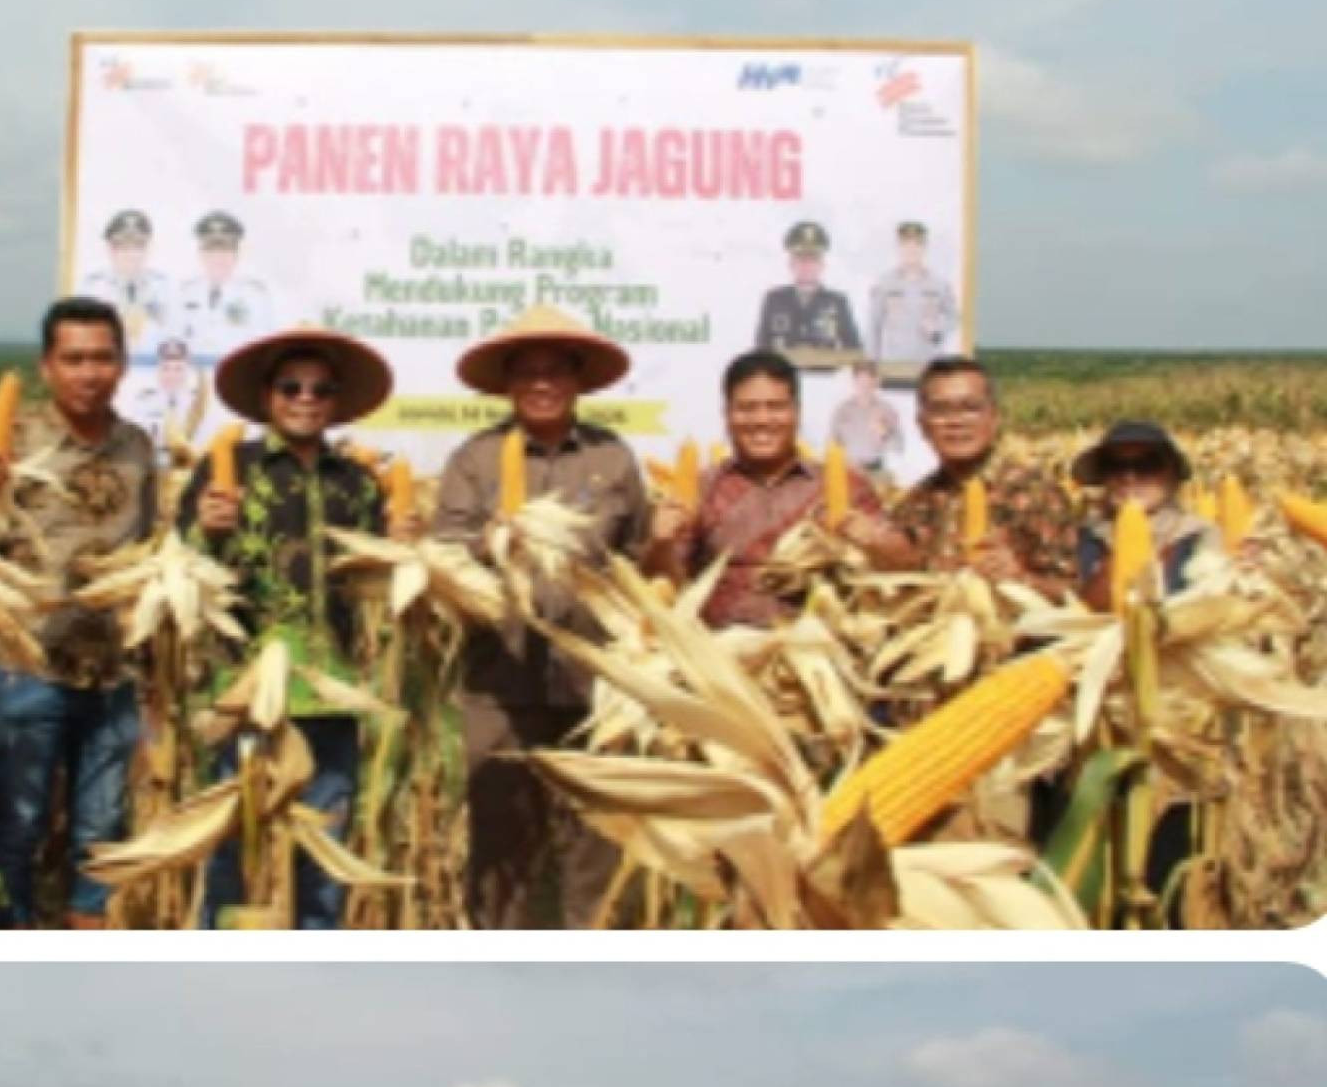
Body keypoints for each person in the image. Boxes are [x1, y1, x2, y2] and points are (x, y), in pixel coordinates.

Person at [432, 306, 652, 930]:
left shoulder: (613, 458)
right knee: (504, 842)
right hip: (501, 679)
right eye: (526, 371)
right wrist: (494, 543)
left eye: (556, 369)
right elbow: (442, 557)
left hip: (594, 679)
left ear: (578, 379)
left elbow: (633, 559)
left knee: (596, 840)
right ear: (507, 383)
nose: (542, 383)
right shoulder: (476, 460)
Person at [176, 326, 396, 927]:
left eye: (321, 389)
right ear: (268, 396)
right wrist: (207, 532)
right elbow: (183, 572)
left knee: (324, 862)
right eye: (291, 386)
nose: (306, 398)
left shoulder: (358, 485)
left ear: (335, 400)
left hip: (331, 696)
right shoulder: (226, 471)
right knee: (235, 858)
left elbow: (375, 589)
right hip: (247, 696)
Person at [0, 298, 158, 929]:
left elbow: (151, 548)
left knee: (101, 838)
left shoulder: (137, 447)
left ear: (123, 365)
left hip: (112, 673)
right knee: (17, 825)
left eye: (103, 357)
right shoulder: (8, 441)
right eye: (74, 359)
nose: (89, 372)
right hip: (25, 665)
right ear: (47, 366)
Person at [663, 350, 880, 629]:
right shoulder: (702, 488)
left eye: (775, 407)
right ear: (726, 414)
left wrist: (876, 541)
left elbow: (902, 567)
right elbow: (662, 584)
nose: (762, 420)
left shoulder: (846, 485)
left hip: (817, 659)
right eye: (747, 408)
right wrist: (660, 544)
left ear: (797, 412)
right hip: (718, 658)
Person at [845, 356, 1076, 602]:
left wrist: (1021, 578)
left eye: (970, 408)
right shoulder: (915, 504)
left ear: (994, 418)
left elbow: (1074, 594)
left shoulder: (1035, 493)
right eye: (941, 410)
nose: (956, 422)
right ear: (922, 425)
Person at [1072, 421, 1224, 607]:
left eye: (1147, 465)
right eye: (1115, 466)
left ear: (1173, 476)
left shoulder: (1201, 535)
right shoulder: (1084, 535)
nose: (1129, 477)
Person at [754, 222, 862, 363]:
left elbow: (854, 350)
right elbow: (761, 347)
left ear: (822, 265)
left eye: (813, 260)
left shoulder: (838, 302)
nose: (807, 266)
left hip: (826, 379)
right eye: (801, 260)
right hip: (784, 377)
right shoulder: (774, 299)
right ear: (791, 264)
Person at [176, 212, 274, 367]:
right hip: (194, 379)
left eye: (224, 251)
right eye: (211, 251)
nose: (218, 258)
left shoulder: (254, 296)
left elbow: (262, 347)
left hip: (237, 375)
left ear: (236, 255)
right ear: (201, 254)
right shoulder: (184, 293)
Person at [79, 210, 173, 364]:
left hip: (154, 374)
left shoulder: (165, 289)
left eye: (138, 247)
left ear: (148, 249)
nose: (131, 255)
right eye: (123, 248)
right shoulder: (91, 290)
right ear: (110, 250)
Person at [866, 222, 958, 373]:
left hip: (928, 363)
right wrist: (871, 366)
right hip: (893, 364)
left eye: (916, 245)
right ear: (899, 248)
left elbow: (954, 317)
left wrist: (938, 326)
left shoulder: (939, 284)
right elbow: (873, 326)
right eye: (906, 246)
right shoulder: (884, 283)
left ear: (924, 249)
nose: (911, 251)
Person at [129, 337, 206, 466]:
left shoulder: (197, 403)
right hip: (154, 465)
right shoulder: (144, 402)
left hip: (190, 466)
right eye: (165, 368)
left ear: (187, 371)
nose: (171, 375)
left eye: (178, 369)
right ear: (158, 370)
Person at [829, 362, 906, 476]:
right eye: (861, 382)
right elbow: (832, 444)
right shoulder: (842, 410)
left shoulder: (886, 410)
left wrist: (884, 433)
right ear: (854, 382)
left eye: (868, 382)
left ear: (876, 382)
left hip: (875, 473)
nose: (864, 387)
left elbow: (899, 446)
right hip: (849, 473)